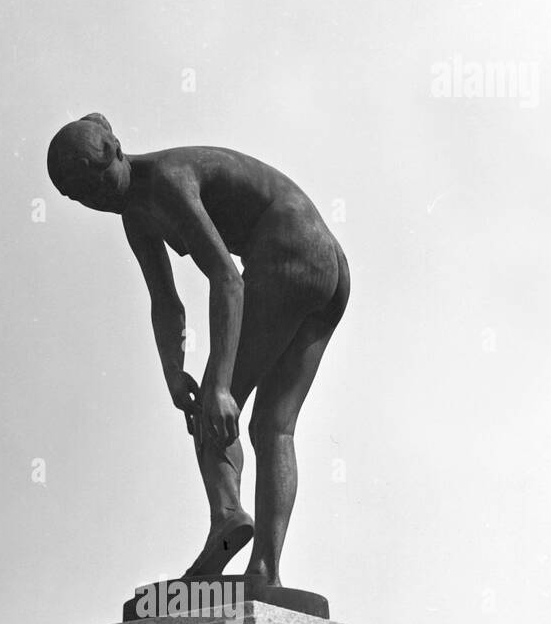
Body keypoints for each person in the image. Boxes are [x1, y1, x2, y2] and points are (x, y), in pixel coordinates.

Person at [47, 113, 349, 588]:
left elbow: (227, 278)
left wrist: (220, 385)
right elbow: (165, 302)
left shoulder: (168, 179)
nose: (100, 200)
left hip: (293, 249)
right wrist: (173, 372)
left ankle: (228, 516)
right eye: (86, 198)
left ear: (118, 151)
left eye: (101, 184)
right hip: (326, 267)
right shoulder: (135, 215)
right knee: (273, 427)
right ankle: (264, 572)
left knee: (217, 406)